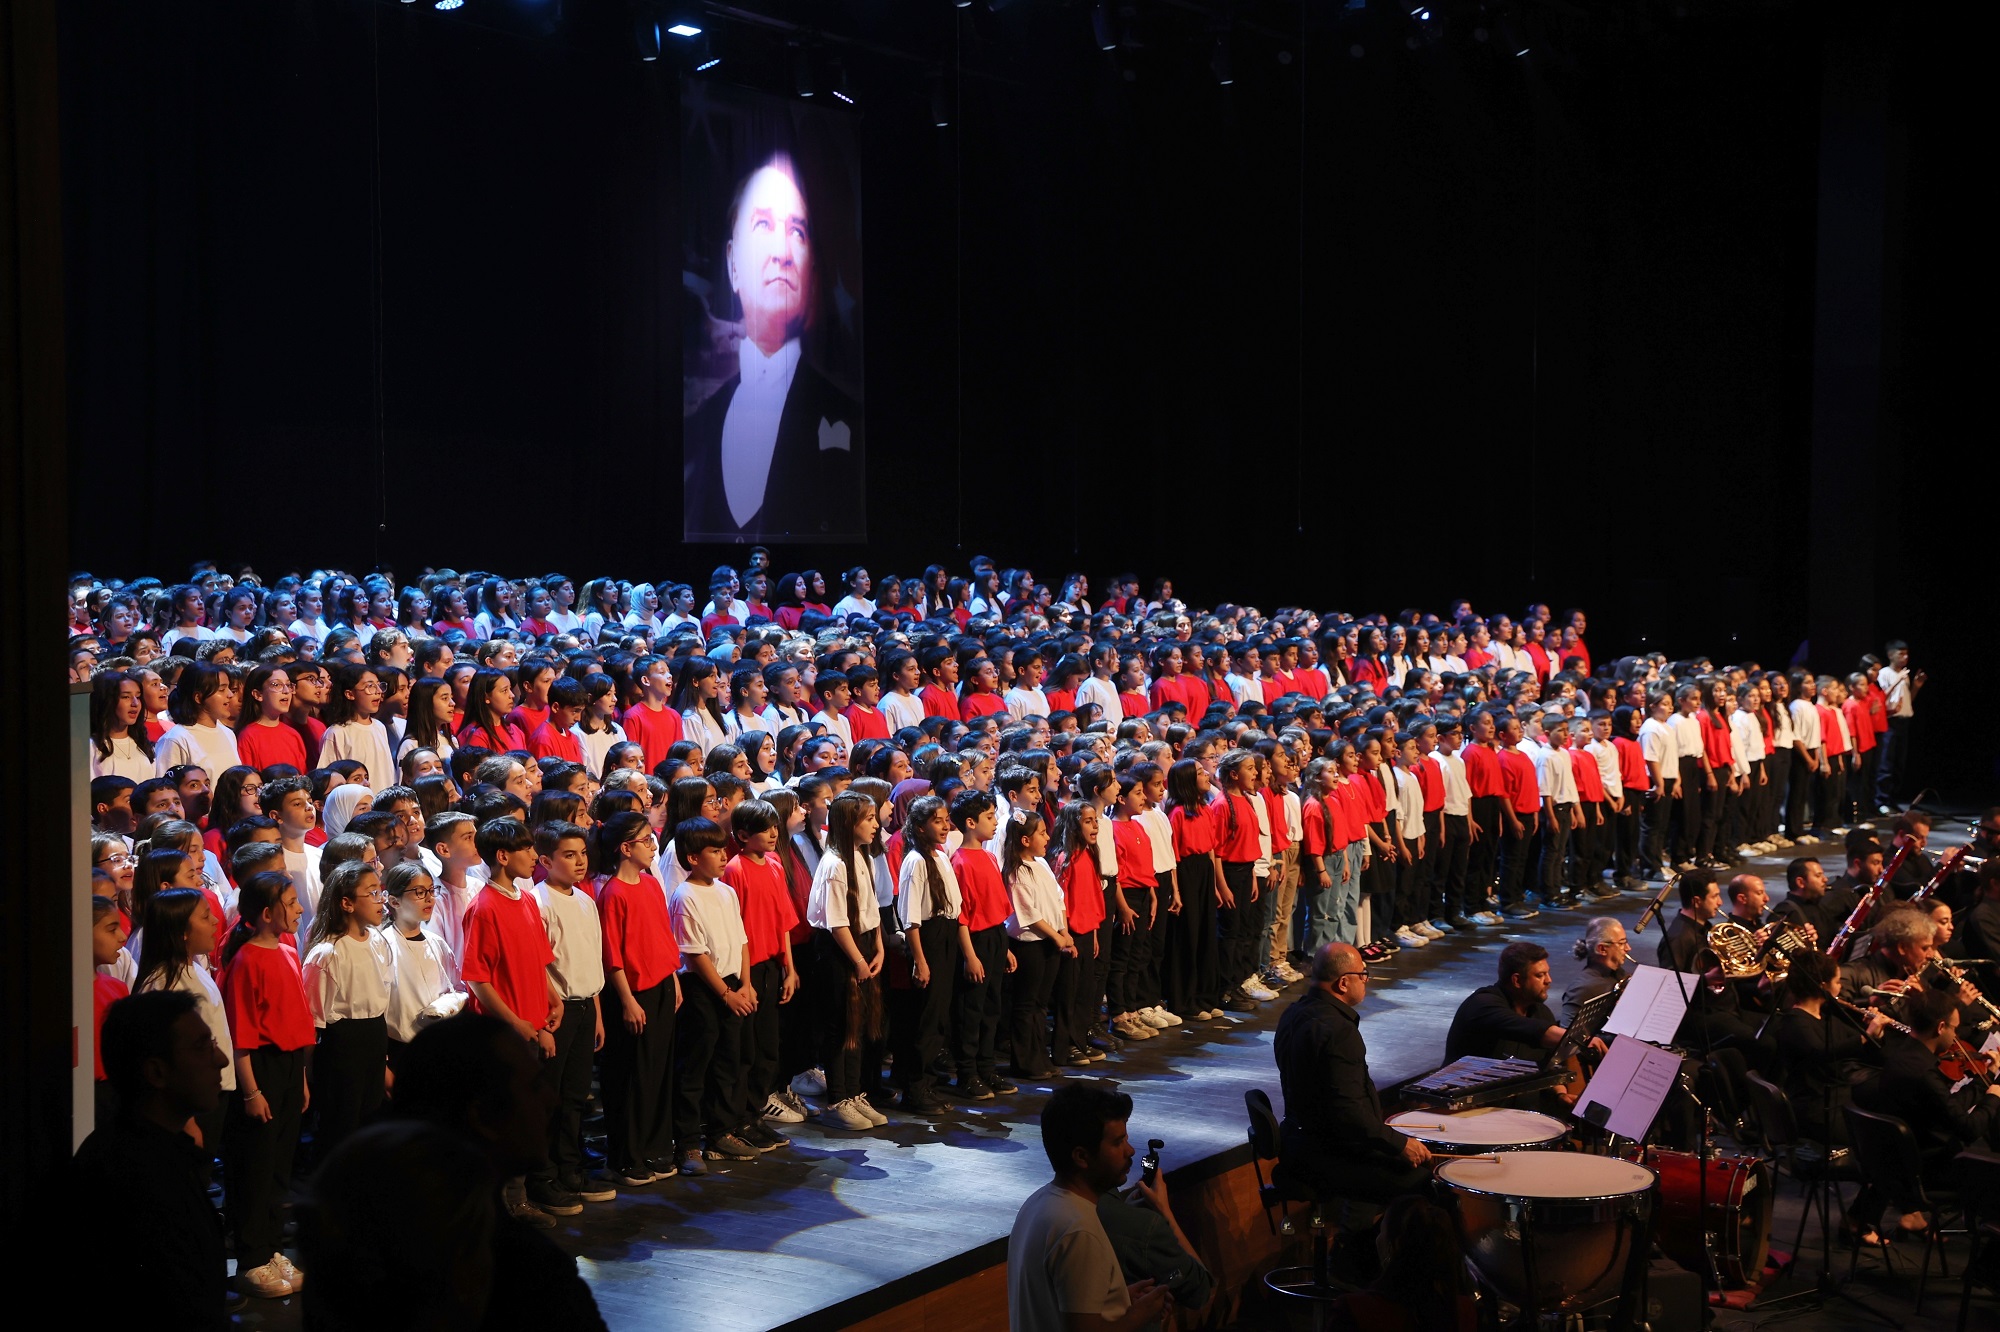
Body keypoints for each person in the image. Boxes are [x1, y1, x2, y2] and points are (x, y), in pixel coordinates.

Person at [390, 1013, 609, 1332]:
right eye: (534, 1087)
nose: (551, 1100)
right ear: (481, 1115)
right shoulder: (525, 1275)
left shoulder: (387, 1250)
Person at [683, 154, 862, 542]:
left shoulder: (849, 416)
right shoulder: (699, 427)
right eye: (763, 224)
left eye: (797, 231)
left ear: (812, 270)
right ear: (733, 265)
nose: (782, 252)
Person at [69, 990, 231, 1330]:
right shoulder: (133, 1174)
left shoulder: (159, 1152)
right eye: (201, 1047)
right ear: (156, 1072)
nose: (220, 1059)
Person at [1272, 941, 1430, 1203]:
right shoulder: (1339, 1032)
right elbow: (1348, 1112)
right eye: (1363, 974)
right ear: (1344, 983)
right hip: (1329, 1155)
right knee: (1427, 1183)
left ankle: (1358, 1224)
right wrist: (1399, 1144)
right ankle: (1366, 1230)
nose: (1366, 980)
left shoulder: (1292, 1013)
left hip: (1298, 1144)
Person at [1007, 1083, 1172, 1332]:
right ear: (1081, 1157)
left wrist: (1116, 1298)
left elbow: (1057, 1307)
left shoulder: (1037, 1204)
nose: (1130, 1151)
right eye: (1118, 1142)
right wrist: (1142, 1314)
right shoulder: (1079, 1232)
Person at [668, 815, 760, 1173]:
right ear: (693, 857)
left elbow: (741, 940)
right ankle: (688, 1144)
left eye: (724, 849)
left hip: (733, 985)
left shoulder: (726, 891)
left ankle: (722, 1132)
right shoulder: (685, 896)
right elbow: (694, 954)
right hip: (704, 990)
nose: (724, 856)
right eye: (715, 851)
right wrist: (725, 994)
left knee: (728, 1063)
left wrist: (746, 984)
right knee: (694, 1068)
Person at [529, 821, 611, 1212]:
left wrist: (596, 1013)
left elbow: (591, 960)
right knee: (550, 1096)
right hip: (555, 1012)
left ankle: (570, 1170)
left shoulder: (585, 900)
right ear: (545, 861)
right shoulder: (538, 902)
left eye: (582, 854)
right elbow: (539, 965)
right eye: (569, 855)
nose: (580, 862)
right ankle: (543, 1177)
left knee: (576, 1096)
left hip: (584, 1007)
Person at [1326, 1195, 1478, 1332]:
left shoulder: (1354, 1309)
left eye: (1381, 1230)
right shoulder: (1464, 1311)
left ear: (1394, 1245)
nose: (1377, 1238)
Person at [1441, 940, 1572, 1069]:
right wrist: (1576, 1039)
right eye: (1540, 975)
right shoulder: (1482, 1005)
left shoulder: (1541, 1012)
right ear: (1517, 980)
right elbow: (1526, 1028)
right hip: (1463, 1082)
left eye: (1547, 973)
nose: (1548, 980)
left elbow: (1554, 1063)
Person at [1560, 915, 1632, 1027]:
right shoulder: (1582, 989)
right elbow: (1566, 1033)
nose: (1628, 948)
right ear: (1602, 949)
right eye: (1622, 943)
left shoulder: (1619, 974)